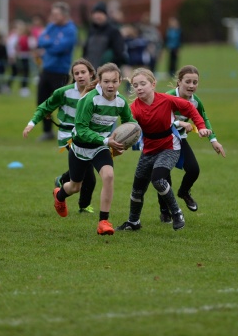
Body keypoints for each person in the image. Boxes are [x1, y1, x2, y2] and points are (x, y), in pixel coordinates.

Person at [116, 67, 212, 232]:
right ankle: (133, 222)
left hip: (170, 146)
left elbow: (190, 108)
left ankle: (177, 213)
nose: (139, 88)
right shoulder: (134, 108)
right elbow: (128, 131)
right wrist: (120, 145)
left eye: (143, 84)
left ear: (153, 84)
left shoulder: (167, 100)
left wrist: (201, 126)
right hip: (149, 150)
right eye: (135, 85)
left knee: (158, 180)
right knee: (137, 190)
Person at [53, 62, 136, 235]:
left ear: (120, 81)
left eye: (114, 81)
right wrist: (106, 141)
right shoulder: (89, 100)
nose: (110, 85)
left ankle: (103, 222)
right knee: (75, 186)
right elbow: (81, 130)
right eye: (106, 81)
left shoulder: (120, 102)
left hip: (100, 147)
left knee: (109, 175)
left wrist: (126, 142)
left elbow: (130, 124)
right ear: (99, 81)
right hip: (80, 146)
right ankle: (59, 195)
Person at [23, 58, 97, 213]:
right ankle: (83, 205)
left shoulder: (98, 92)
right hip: (68, 135)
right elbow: (44, 107)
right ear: (73, 76)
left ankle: (63, 180)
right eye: (76, 73)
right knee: (88, 173)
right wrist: (31, 124)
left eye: (83, 72)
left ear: (91, 73)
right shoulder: (64, 92)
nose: (80, 75)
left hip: (88, 135)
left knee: (83, 170)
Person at [157, 65, 226, 221]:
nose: (191, 85)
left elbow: (203, 119)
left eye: (195, 82)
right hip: (161, 141)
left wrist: (213, 140)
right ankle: (165, 212)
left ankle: (184, 192)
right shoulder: (168, 97)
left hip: (179, 140)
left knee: (194, 170)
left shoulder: (195, 101)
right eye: (187, 81)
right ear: (179, 82)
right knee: (163, 178)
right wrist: (179, 124)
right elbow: (159, 120)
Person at [37, 2, 78, 141]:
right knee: (42, 102)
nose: (53, 16)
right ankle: (47, 131)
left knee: (64, 104)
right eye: (52, 13)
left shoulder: (70, 29)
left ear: (64, 15)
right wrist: (52, 43)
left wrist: (49, 44)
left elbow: (60, 48)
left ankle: (70, 132)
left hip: (61, 72)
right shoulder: (51, 26)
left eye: (56, 14)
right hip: (46, 69)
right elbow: (41, 40)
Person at [82, 1, 127, 70]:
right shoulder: (91, 31)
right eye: (95, 13)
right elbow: (86, 51)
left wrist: (109, 69)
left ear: (106, 15)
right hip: (91, 71)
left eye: (100, 13)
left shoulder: (113, 31)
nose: (97, 16)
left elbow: (119, 54)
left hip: (105, 72)